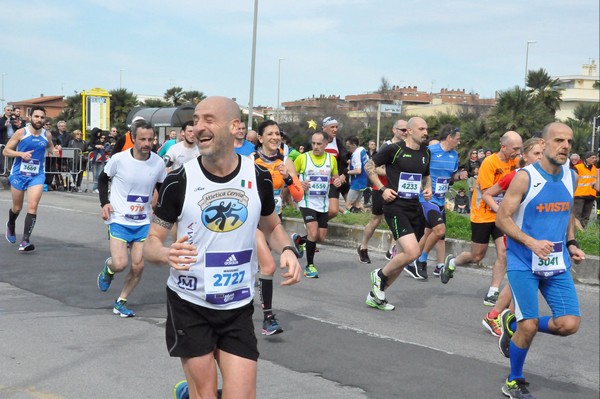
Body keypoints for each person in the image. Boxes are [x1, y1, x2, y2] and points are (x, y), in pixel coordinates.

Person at [142, 96, 301, 399]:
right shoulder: (180, 180)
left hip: (236, 306)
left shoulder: (258, 176)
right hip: (189, 303)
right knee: (205, 393)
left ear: (236, 127)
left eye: (208, 120)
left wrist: (289, 251)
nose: (198, 126)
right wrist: (164, 253)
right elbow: (150, 244)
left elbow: (273, 226)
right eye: (196, 120)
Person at [495, 122, 584, 399]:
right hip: (523, 262)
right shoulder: (525, 177)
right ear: (543, 145)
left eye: (569, 141)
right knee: (529, 325)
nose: (565, 146)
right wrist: (531, 242)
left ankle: (512, 324)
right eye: (559, 140)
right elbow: (502, 218)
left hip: (556, 263)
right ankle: (514, 380)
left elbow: (567, 213)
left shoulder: (572, 177)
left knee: (569, 324)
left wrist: (571, 243)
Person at [440, 131, 522, 308]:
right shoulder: (489, 163)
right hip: (483, 214)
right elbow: (487, 194)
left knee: (503, 252)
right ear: (503, 146)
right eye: (515, 148)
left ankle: (493, 291)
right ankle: (452, 262)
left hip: (501, 215)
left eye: (520, 148)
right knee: (477, 256)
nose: (518, 152)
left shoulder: (515, 162)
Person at [96, 120, 167, 317]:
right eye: (142, 139)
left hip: (143, 221)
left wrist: (165, 209)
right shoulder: (119, 159)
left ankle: (121, 301)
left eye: (150, 139)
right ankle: (108, 269)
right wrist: (105, 203)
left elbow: (162, 187)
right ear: (133, 138)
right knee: (120, 264)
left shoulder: (158, 162)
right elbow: (102, 179)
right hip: (119, 219)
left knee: (138, 266)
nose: (147, 143)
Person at [365, 117, 432, 311]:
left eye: (426, 128)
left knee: (405, 256)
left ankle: (376, 295)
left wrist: (427, 188)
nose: (425, 132)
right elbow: (369, 166)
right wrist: (381, 188)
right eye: (421, 128)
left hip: (415, 207)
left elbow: (426, 176)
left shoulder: (425, 153)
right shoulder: (394, 150)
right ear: (409, 131)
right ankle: (379, 275)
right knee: (412, 252)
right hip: (395, 207)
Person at [480, 137, 544, 337]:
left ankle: (499, 316)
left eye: (543, 153)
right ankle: (508, 319)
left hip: (536, 238)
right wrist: (501, 212)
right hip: (518, 236)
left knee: (521, 279)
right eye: (536, 154)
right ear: (524, 156)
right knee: (523, 279)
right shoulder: (516, 176)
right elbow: (487, 193)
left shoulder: (547, 178)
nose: (541, 157)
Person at [253, 120, 304, 335]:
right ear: (260, 138)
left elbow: (298, 194)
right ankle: (267, 317)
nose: (275, 137)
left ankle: (266, 315)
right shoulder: (249, 161)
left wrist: (288, 178)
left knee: (262, 268)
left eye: (277, 134)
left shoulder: (286, 161)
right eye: (270, 134)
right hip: (253, 222)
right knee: (267, 266)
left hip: (274, 221)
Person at [408, 125, 465, 280]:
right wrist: (420, 184)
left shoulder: (454, 155)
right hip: (426, 198)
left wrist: (459, 177)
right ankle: (421, 258)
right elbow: (417, 170)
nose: (459, 142)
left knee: (428, 233)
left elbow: (450, 179)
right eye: (457, 139)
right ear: (449, 137)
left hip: (440, 199)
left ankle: (412, 260)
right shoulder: (430, 152)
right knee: (440, 231)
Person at [4, 106, 58, 251]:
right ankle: (11, 224)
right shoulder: (21, 132)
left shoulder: (47, 135)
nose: (39, 120)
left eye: (42, 117)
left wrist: (55, 151)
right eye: (36, 117)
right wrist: (21, 154)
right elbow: (6, 151)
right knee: (17, 207)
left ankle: (25, 241)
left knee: (33, 206)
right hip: (18, 174)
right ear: (30, 117)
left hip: (37, 175)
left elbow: (51, 147)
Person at [357, 120, 406, 264]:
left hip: (397, 189)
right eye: (402, 129)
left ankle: (392, 250)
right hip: (381, 188)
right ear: (394, 130)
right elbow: (372, 166)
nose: (405, 132)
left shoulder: (406, 147)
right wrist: (388, 173)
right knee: (376, 220)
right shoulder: (387, 146)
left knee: (397, 219)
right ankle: (363, 246)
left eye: (406, 129)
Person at [294, 131, 342, 278]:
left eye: (319, 144)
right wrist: (299, 183)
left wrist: (338, 180)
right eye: (313, 143)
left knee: (320, 237)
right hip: (307, 201)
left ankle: (300, 240)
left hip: (322, 203)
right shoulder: (303, 158)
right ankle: (310, 266)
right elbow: (291, 176)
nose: (315, 146)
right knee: (313, 232)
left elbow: (335, 178)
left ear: (326, 144)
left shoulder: (331, 159)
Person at [322, 117, 349, 219]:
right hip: (317, 179)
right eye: (332, 127)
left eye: (336, 127)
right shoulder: (315, 140)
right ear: (324, 128)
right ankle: (314, 223)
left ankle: (318, 222)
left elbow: (345, 160)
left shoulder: (338, 141)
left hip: (333, 180)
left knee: (333, 211)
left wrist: (343, 174)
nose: (335, 130)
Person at [572, 151, 598, 228]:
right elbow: (573, 180)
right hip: (579, 195)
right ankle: (575, 233)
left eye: (595, 157)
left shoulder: (595, 169)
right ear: (587, 159)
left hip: (591, 195)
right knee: (577, 215)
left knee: (586, 217)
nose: (595, 159)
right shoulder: (578, 167)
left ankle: (582, 233)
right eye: (593, 158)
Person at [345, 136, 369, 213]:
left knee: (348, 205)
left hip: (356, 182)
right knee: (357, 203)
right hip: (363, 180)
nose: (348, 149)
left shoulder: (356, 154)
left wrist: (347, 172)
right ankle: (365, 211)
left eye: (349, 146)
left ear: (354, 145)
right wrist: (351, 162)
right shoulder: (362, 150)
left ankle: (358, 213)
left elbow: (358, 170)